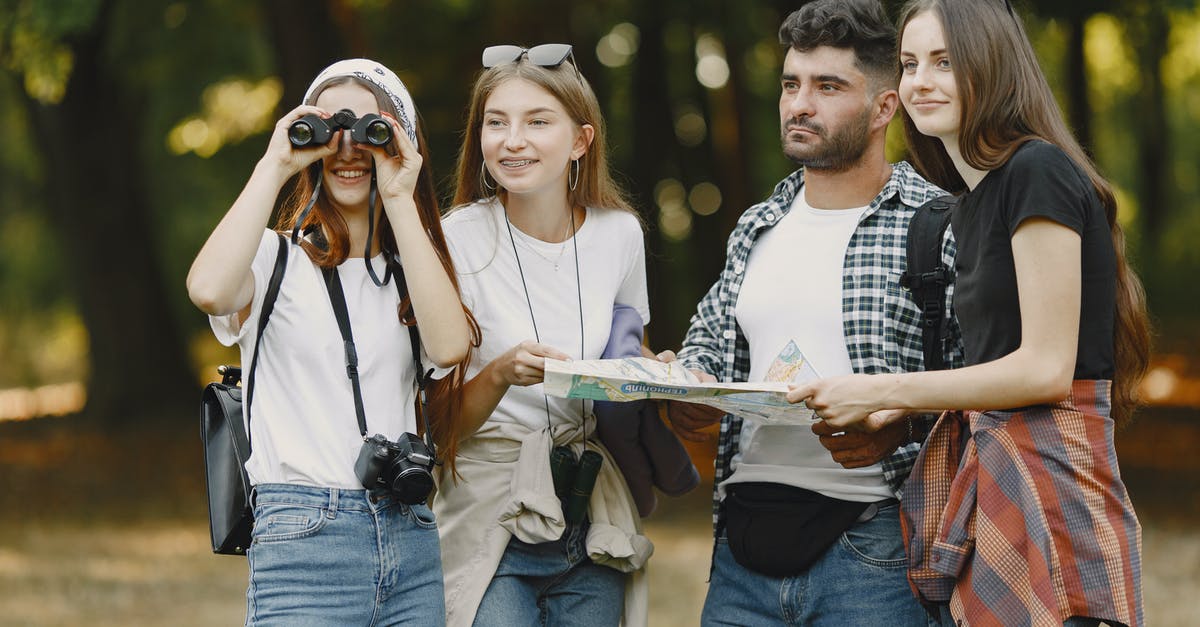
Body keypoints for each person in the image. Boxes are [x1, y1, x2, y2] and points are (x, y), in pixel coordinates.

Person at [789, 1, 1151, 625]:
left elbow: (1045, 369)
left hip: (1055, 479)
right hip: (993, 471)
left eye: (944, 62)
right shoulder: (971, 202)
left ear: (991, 67)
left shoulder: (1036, 170)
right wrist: (898, 417)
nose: (920, 80)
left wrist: (885, 390)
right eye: (908, 64)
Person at [663, 1, 960, 624]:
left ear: (885, 107)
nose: (800, 104)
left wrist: (901, 427)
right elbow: (708, 348)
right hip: (743, 546)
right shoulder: (756, 225)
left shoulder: (939, 226)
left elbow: (990, 386)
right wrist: (683, 387)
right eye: (791, 84)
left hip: (877, 547)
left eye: (828, 87)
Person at [186, 58, 473, 625]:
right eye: (331, 128)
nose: (347, 148)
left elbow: (448, 348)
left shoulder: (413, 268)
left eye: (370, 131)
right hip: (303, 541)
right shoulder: (273, 260)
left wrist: (398, 197)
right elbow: (209, 289)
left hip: (408, 534)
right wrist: (276, 164)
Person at [432, 44, 652, 627]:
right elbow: (433, 422)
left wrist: (662, 369)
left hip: (590, 510)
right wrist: (502, 371)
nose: (513, 140)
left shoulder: (621, 235)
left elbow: (629, 348)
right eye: (496, 123)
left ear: (581, 141)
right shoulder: (455, 239)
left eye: (537, 122)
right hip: (490, 510)